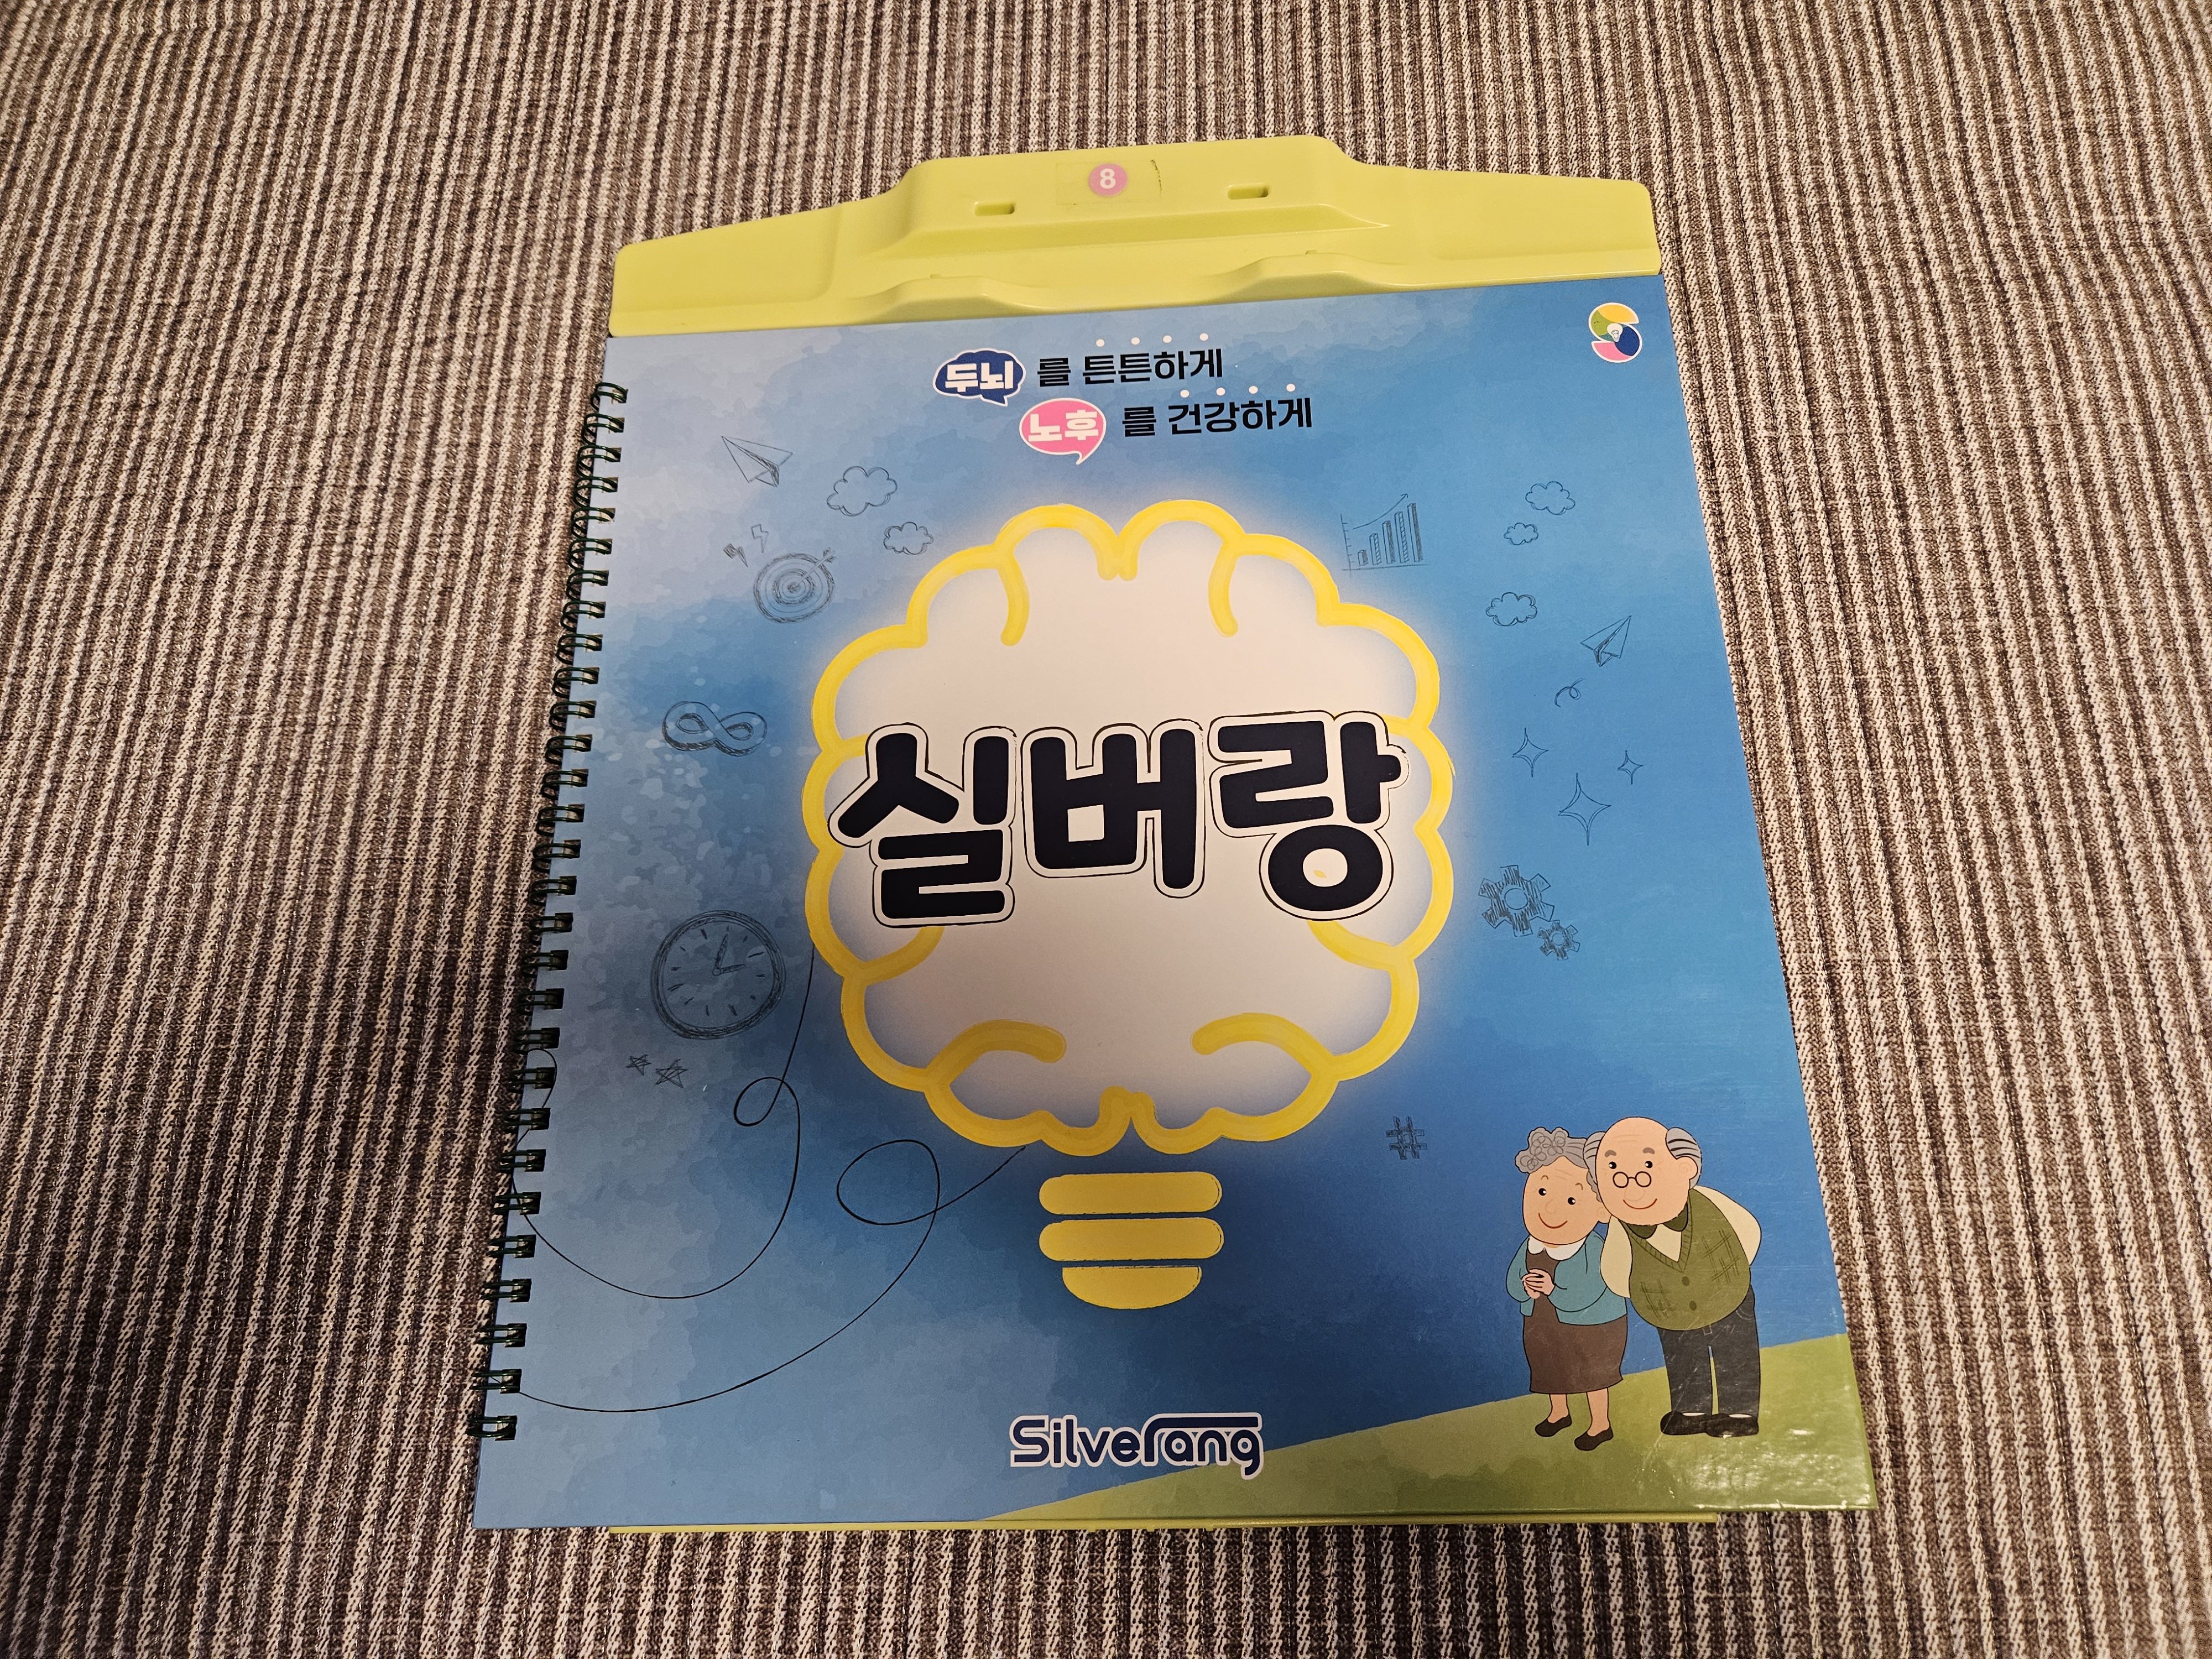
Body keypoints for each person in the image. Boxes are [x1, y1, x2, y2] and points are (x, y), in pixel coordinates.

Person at [1589, 1116, 1764, 1437]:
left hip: (1728, 1295)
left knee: (1736, 1353)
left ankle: (1739, 1412)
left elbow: (1748, 1232)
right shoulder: (1621, 1227)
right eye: (1613, 1171)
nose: (1632, 1182)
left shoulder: (1707, 1200)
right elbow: (1615, 1271)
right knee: (1683, 1357)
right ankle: (1692, 1410)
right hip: (1668, 1308)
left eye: (1647, 1166)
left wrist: (1731, 1270)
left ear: (1685, 1167)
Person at [1505, 1127, 1627, 1451]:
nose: (1550, 1209)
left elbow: (1592, 1289)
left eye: (1572, 1199)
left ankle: (1600, 1424)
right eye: (1542, 1192)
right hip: (1543, 1322)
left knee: (1592, 1373)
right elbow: (1514, 1278)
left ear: (1601, 1209)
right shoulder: (1531, 1244)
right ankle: (1559, 1412)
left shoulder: (1593, 1248)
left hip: (1592, 1327)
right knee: (1549, 1364)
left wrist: (1554, 1290)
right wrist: (1525, 1288)